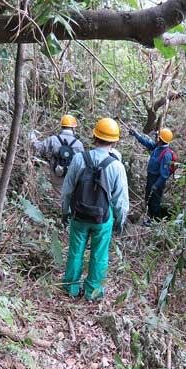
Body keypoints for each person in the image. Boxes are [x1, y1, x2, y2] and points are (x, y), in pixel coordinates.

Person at [60, 118, 129, 301]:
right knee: (99, 254)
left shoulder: (78, 159)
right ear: (114, 141)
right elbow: (121, 201)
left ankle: (71, 287)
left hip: (79, 215)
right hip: (103, 219)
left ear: (94, 136)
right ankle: (93, 292)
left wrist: (64, 211)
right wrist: (120, 222)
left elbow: (67, 189)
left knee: (76, 250)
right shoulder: (117, 166)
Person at [29, 114, 85, 200]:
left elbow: (39, 148)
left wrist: (32, 138)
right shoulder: (79, 144)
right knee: (71, 194)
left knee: (59, 195)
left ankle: (61, 209)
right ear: (73, 128)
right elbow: (82, 163)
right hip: (72, 174)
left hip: (57, 172)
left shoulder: (53, 139)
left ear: (62, 126)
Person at [129, 127, 174, 225]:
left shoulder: (166, 155)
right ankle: (149, 218)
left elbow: (164, 175)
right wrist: (137, 135)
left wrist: (156, 185)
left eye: (157, 137)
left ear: (161, 140)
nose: (155, 138)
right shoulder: (157, 147)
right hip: (151, 178)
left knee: (155, 202)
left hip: (157, 181)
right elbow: (147, 143)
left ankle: (156, 222)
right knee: (148, 199)